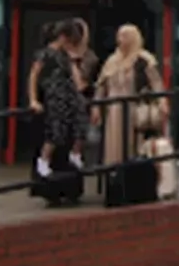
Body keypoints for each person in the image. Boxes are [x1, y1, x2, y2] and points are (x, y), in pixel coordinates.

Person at [93, 24, 167, 165]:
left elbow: (156, 83)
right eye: (119, 36)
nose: (120, 40)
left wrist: (162, 101)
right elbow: (101, 85)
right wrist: (96, 106)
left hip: (134, 107)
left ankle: (132, 172)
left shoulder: (144, 59)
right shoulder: (112, 61)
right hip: (113, 109)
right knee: (114, 143)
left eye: (125, 36)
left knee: (133, 144)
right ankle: (114, 173)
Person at [28, 19, 88, 178]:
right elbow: (34, 75)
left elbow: (78, 80)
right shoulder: (45, 53)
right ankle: (44, 159)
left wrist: (74, 60)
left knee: (80, 121)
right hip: (54, 93)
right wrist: (33, 99)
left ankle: (75, 153)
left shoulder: (66, 56)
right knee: (56, 129)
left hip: (70, 92)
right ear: (62, 37)